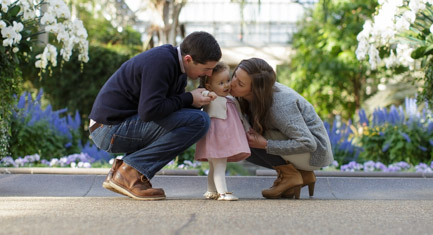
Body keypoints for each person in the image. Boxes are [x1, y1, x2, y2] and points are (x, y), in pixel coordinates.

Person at [88, 31, 222, 200]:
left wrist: (193, 102)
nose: (209, 74)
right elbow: (149, 111)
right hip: (107, 129)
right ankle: (129, 173)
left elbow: (168, 107)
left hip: (116, 125)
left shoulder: (176, 66)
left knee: (195, 116)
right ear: (188, 59)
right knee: (199, 121)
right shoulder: (161, 62)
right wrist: (189, 97)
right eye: (207, 69)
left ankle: (127, 171)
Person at [230, 57, 333, 199]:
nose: (232, 83)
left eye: (240, 84)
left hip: (315, 154)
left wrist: (266, 144)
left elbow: (308, 143)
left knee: (248, 137)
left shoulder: (279, 106)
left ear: (255, 90)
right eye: (234, 75)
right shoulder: (255, 96)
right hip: (307, 150)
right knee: (244, 138)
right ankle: (303, 174)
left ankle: (290, 176)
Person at [195, 62, 250, 201]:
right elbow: (202, 93)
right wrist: (208, 93)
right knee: (219, 165)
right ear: (209, 86)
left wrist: (248, 129)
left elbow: (241, 117)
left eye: (227, 80)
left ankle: (211, 190)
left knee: (215, 167)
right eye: (221, 83)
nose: (226, 85)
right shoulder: (210, 98)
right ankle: (223, 193)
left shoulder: (231, 100)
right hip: (216, 139)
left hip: (225, 139)